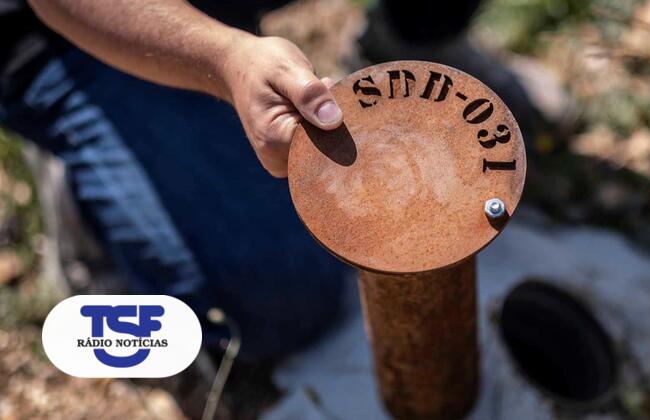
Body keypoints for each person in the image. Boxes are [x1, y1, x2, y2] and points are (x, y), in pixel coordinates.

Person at [0, 0, 550, 361]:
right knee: (278, 301)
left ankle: (415, 35)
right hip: (70, 31)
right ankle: (98, 166)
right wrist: (225, 59)